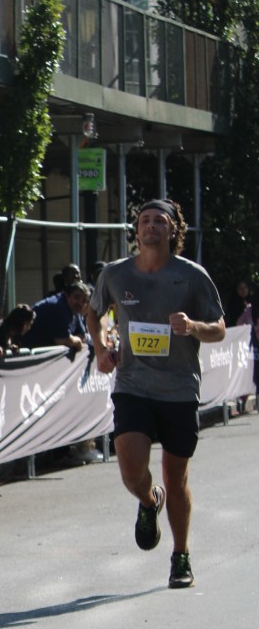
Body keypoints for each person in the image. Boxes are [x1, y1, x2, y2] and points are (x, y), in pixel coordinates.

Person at [88, 197, 226, 589]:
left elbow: (218, 328)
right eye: (145, 220)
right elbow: (95, 312)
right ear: (136, 230)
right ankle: (150, 501)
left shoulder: (191, 275)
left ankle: (181, 556)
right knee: (131, 471)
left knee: (176, 477)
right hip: (133, 385)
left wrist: (193, 326)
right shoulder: (116, 274)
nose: (151, 226)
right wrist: (100, 348)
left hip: (179, 389)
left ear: (172, 230)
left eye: (159, 221)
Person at [26, 274, 91, 353]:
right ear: (67, 295)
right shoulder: (58, 306)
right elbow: (62, 340)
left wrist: (76, 339)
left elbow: (82, 335)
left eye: (84, 301)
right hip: (27, 353)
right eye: (76, 297)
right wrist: (77, 341)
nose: (80, 303)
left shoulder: (74, 309)